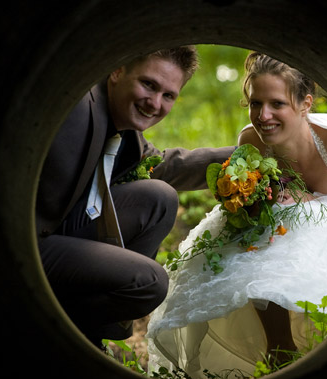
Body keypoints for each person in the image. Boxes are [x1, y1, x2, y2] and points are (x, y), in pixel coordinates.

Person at [146, 52, 327, 379]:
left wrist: (309, 202)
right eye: (256, 103)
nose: (263, 115)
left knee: (293, 220)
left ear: (305, 103)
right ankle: (279, 350)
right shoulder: (251, 141)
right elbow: (253, 202)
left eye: (277, 104)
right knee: (265, 224)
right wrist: (249, 201)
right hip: (284, 232)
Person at [36, 46, 235, 348]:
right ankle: (52, 331)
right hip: (26, 243)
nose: (155, 103)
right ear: (117, 70)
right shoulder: (75, 106)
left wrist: (246, 153)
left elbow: (165, 167)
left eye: (168, 95)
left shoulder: (123, 128)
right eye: (149, 85)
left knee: (159, 197)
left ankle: (89, 335)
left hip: (62, 228)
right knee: (149, 283)